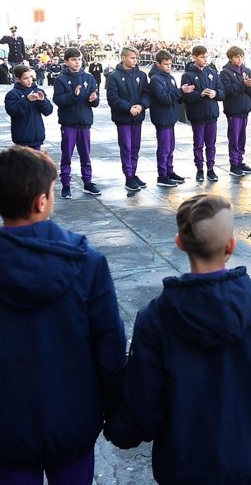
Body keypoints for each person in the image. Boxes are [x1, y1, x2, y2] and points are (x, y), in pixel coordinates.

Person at [105, 194, 251, 483]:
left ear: (179, 243)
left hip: (183, 469)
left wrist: (119, 427)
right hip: (248, 466)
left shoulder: (155, 317)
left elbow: (144, 403)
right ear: (230, 246)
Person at [0, 146, 126, 485]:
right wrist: (116, 412)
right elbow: (109, 346)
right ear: (41, 201)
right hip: (72, 419)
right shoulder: (87, 261)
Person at [52, 48, 101, 198]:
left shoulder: (89, 77)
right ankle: (66, 185)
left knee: (86, 155)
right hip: (69, 123)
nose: (77, 62)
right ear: (66, 62)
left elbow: (94, 100)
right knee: (67, 155)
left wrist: (94, 100)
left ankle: (88, 181)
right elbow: (58, 100)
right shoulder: (60, 79)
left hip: (85, 122)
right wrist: (73, 95)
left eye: (79, 59)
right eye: (73, 59)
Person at [106, 46, 151, 192]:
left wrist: (141, 106)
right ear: (123, 58)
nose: (135, 60)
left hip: (137, 117)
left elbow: (146, 94)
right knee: (126, 147)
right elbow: (113, 98)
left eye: (136, 58)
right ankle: (128, 176)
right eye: (132, 57)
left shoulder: (142, 75)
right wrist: (128, 108)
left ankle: (133, 173)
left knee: (135, 147)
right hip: (123, 118)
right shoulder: (114, 77)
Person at [181, 45, 224, 182]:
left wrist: (215, 93)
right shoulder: (187, 75)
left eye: (206, 56)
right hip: (197, 115)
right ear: (194, 58)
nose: (205, 59)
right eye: (202, 57)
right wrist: (199, 94)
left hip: (212, 115)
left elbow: (222, 91)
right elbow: (185, 96)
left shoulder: (212, 72)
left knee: (211, 144)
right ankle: (199, 169)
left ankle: (211, 169)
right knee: (198, 144)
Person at [220, 45, 251, 177]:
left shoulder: (247, 70)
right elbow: (227, 91)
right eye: (237, 57)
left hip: (244, 110)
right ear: (231, 58)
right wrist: (242, 84)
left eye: (242, 57)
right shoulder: (225, 73)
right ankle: (234, 164)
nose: (240, 59)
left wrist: (248, 86)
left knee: (242, 138)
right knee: (234, 138)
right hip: (234, 110)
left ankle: (240, 160)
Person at [148, 50, 187, 188]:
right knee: (164, 148)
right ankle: (162, 175)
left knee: (170, 147)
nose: (169, 67)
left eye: (170, 64)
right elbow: (164, 98)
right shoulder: (155, 80)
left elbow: (174, 96)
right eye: (166, 64)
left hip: (170, 118)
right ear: (158, 64)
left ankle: (169, 171)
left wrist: (182, 93)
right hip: (162, 118)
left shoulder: (169, 77)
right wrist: (180, 91)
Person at [5, 63, 52, 154]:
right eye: (26, 78)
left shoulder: (38, 91)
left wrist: (42, 101)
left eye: (30, 77)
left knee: (37, 165)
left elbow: (48, 111)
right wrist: (27, 100)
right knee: (23, 165)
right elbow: (13, 111)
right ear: (18, 79)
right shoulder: (12, 94)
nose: (29, 80)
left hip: (37, 136)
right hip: (22, 138)